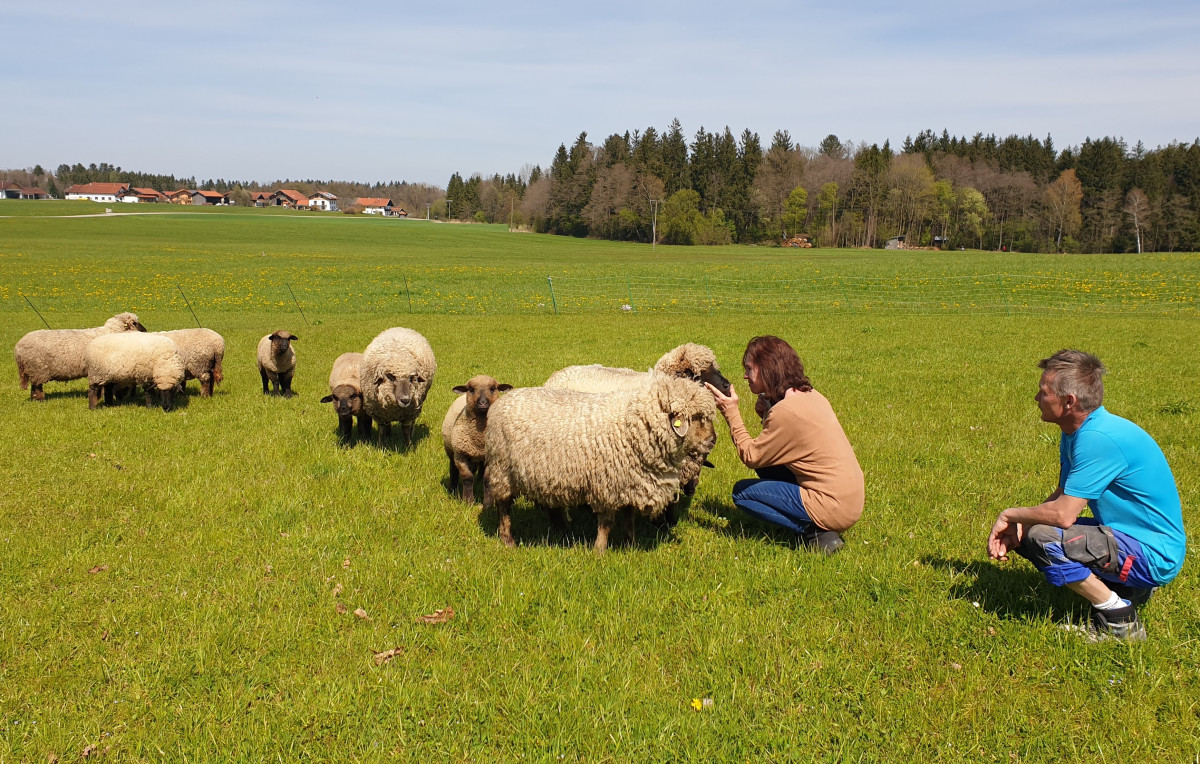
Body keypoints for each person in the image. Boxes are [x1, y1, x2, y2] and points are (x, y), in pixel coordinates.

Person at [987, 349, 1186, 641]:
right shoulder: (1078, 432)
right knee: (1032, 532)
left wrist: (1010, 515)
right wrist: (1022, 525)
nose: (1036, 399)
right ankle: (1129, 589)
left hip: (1154, 555)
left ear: (1069, 402)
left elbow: (1063, 516)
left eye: (1043, 392)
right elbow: (1063, 496)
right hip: (1137, 540)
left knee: (1043, 537)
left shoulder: (1097, 440)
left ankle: (1120, 620)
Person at [705, 336, 864, 554]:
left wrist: (731, 412)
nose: (744, 375)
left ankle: (817, 533)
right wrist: (767, 411)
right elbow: (779, 446)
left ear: (767, 368)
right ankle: (818, 523)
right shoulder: (810, 395)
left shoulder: (785, 411)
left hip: (832, 506)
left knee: (742, 493)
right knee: (767, 465)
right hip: (850, 499)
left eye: (749, 368)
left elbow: (751, 456)